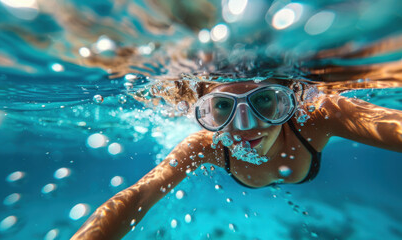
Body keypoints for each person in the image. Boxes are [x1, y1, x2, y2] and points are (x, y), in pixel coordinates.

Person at [71, 78, 402, 240]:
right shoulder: (205, 146)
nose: (245, 126)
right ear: (205, 112)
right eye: (223, 106)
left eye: (265, 101)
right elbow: (140, 194)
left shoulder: (320, 115)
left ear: (292, 100)